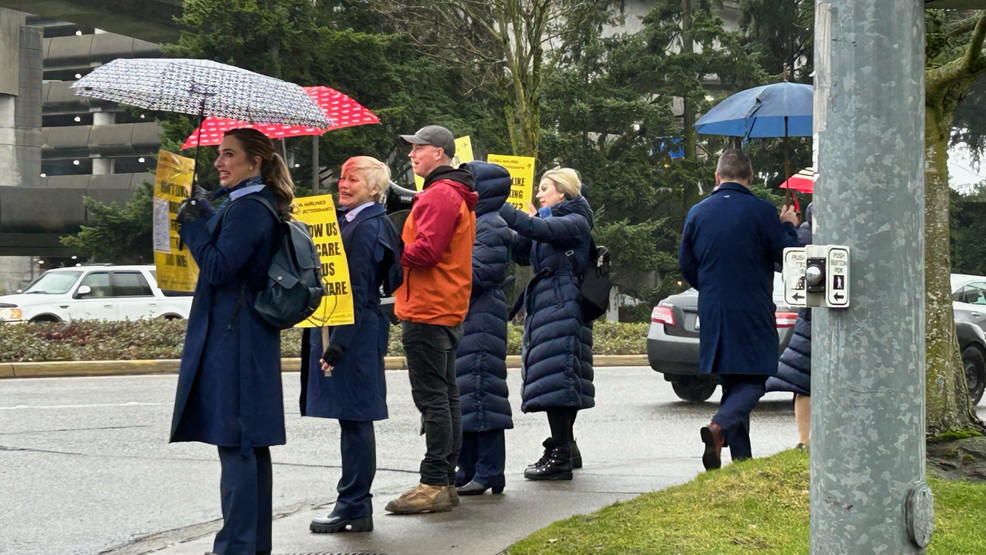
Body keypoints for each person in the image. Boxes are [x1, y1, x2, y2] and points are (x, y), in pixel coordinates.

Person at [170, 128, 294, 555]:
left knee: (238, 444)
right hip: (243, 336)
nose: (220, 162)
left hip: (236, 339)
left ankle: (236, 547)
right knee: (248, 445)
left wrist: (193, 228)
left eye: (229, 155)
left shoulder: (250, 209)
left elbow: (220, 268)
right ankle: (251, 545)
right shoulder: (250, 204)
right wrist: (204, 210)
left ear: (255, 161)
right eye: (219, 154)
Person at [678, 148, 800, 471]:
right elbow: (790, 257)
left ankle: (740, 462)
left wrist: (711, 288)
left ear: (716, 177)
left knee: (733, 383)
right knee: (758, 377)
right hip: (752, 308)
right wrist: (788, 225)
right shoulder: (762, 212)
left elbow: (685, 265)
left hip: (714, 309)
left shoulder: (697, 213)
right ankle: (718, 428)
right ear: (750, 178)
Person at [302, 156, 403, 533]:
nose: (343, 184)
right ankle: (353, 505)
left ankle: (354, 505)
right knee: (353, 420)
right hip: (354, 330)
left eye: (354, 179)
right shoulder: (361, 221)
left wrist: (338, 345)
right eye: (342, 177)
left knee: (357, 421)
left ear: (375, 189)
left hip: (355, 334)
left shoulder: (366, 227)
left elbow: (359, 290)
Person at [385, 125, 478, 514]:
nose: (411, 155)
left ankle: (434, 482)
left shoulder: (440, 194)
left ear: (439, 153)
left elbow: (425, 252)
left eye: (418, 149)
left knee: (433, 400)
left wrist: (388, 248)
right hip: (443, 305)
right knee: (446, 397)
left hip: (428, 307)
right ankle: (446, 480)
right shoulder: (451, 192)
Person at [499, 167, 595, 481]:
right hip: (553, 304)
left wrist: (498, 205)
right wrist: (512, 228)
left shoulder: (576, 220)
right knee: (559, 378)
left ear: (563, 192)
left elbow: (542, 230)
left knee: (560, 380)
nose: (539, 194)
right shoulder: (550, 221)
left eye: (545, 188)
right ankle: (566, 446)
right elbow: (524, 252)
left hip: (563, 304)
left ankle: (561, 455)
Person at [454, 161, 513, 496]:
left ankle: (490, 470)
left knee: (482, 393)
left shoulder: (490, 224)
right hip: (472, 316)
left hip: (481, 315)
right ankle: (471, 467)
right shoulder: (477, 221)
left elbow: (481, 274)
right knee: (467, 395)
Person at [766, 202, 814, 449]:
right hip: (815, 317)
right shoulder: (805, 234)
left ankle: (804, 440)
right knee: (805, 383)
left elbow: (779, 262)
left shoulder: (804, 232)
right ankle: (805, 440)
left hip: (809, 318)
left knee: (803, 382)